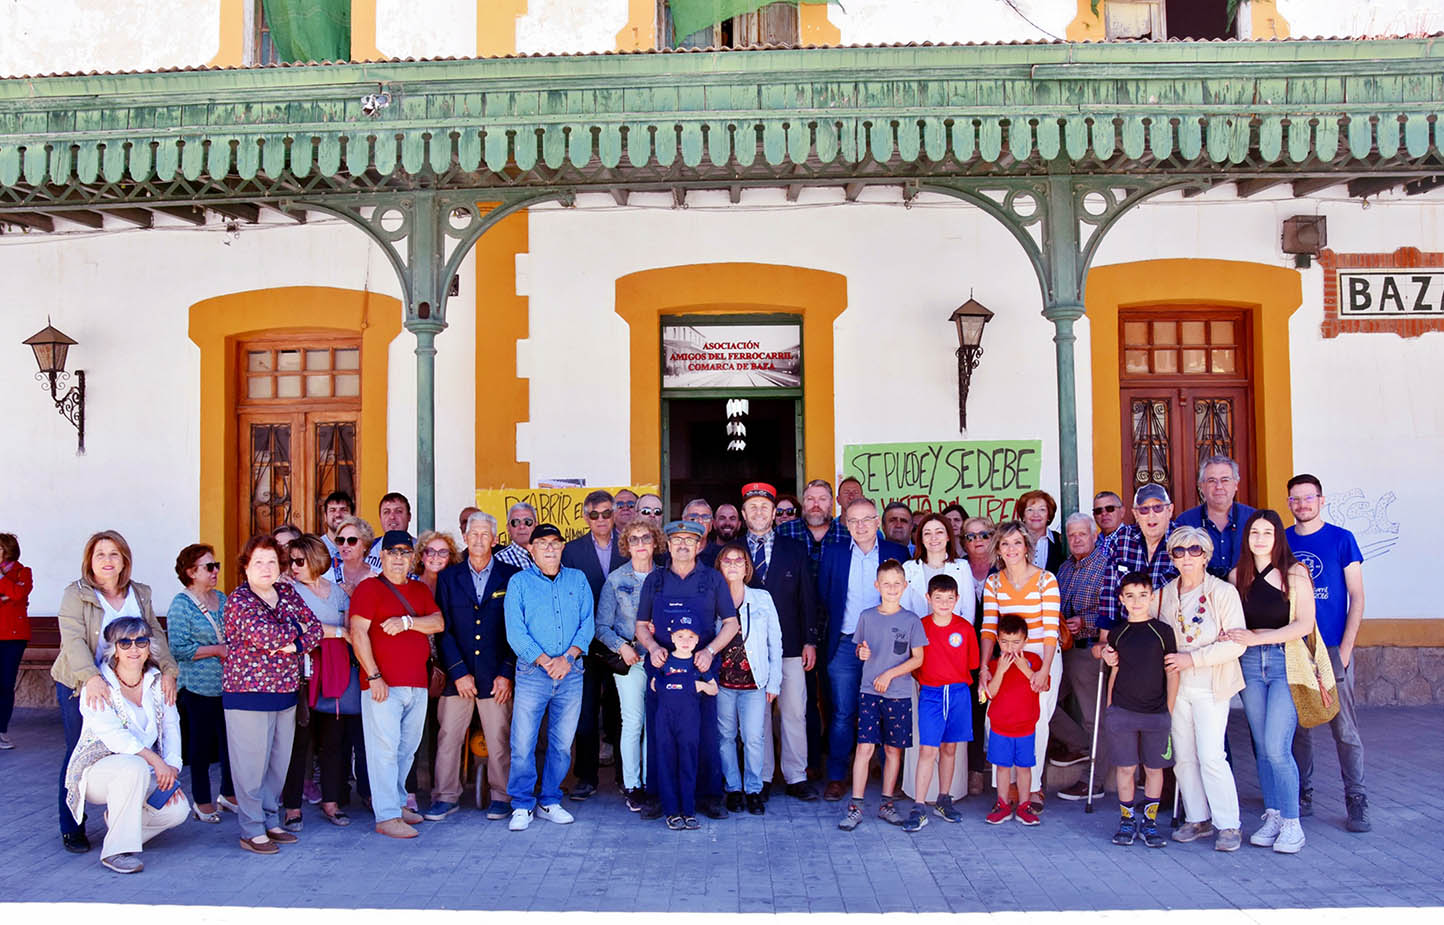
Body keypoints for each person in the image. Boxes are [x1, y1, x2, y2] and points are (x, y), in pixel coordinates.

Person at [53, 530, 179, 854]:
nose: (107, 560)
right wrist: (91, 677)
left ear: (124, 560)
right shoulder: (76, 593)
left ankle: (126, 815)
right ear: (90, 561)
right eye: (100, 554)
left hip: (128, 680)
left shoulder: (140, 592)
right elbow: (73, 640)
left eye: (114, 554)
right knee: (79, 750)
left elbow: (155, 634)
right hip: (81, 683)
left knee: (129, 749)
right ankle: (72, 826)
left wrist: (168, 670)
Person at [63, 617, 189, 874]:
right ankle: (115, 852)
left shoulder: (158, 681)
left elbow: (171, 726)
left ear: (149, 647)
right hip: (97, 773)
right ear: (114, 649)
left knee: (177, 810)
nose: (134, 649)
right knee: (133, 766)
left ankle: (121, 825)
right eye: (125, 643)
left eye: (141, 641)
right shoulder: (98, 685)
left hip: (142, 770)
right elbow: (115, 737)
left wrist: (172, 768)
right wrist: (157, 762)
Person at [1224, 509, 1317, 854]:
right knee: (1262, 746)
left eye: (1267, 532)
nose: (1260, 539)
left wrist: (1258, 638)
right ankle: (1274, 815)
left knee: (1278, 747)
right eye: (1254, 533)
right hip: (1249, 664)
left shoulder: (1295, 574)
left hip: (1284, 662)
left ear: (1278, 537)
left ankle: (1293, 823)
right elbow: (1232, 620)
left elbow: (1304, 624)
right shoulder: (1238, 576)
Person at [634, 520, 740, 820]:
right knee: (660, 736)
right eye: (677, 540)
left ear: (699, 545)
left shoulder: (713, 579)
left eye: (689, 540)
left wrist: (710, 651)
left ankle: (708, 796)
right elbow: (640, 625)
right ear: (668, 545)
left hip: (699, 669)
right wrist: (652, 647)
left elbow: (731, 623)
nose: (683, 545)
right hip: (663, 671)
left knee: (704, 735)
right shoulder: (654, 580)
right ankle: (657, 796)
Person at [223, 534, 323, 854]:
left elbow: (316, 628)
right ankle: (251, 829)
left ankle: (269, 819)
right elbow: (268, 636)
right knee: (250, 768)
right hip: (248, 694)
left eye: (271, 561)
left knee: (278, 765)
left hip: (286, 692)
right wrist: (296, 632)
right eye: (258, 562)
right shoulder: (239, 600)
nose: (266, 568)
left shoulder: (287, 592)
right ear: (246, 567)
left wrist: (293, 644)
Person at [1285, 473, 1369, 831]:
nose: (1302, 504)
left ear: (1321, 500)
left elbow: (1357, 597)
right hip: (1296, 648)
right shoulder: (1283, 540)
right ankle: (1303, 792)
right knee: (1299, 728)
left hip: (1332, 647)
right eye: (1295, 499)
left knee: (1344, 728)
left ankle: (1357, 797)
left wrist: (1345, 650)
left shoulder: (1341, 539)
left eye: (1308, 498)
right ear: (1289, 503)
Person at [1157, 527, 1246, 852]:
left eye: (1194, 550)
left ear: (1206, 555)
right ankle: (1197, 818)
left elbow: (1236, 643)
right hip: (1176, 686)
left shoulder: (1223, 592)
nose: (1187, 557)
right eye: (1179, 551)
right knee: (1183, 756)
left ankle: (1229, 824)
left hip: (1211, 684)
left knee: (1211, 755)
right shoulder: (1164, 594)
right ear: (1172, 557)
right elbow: (1146, 628)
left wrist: (1191, 658)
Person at [350, 530, 443, 839]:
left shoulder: (419, 590)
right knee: (384, 751)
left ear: (412, 557)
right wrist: (373, 675)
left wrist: (406, 622)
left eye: (405, 552)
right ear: (383, 555)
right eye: (393, 552)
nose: (399, 558)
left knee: (406, 750)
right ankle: (387, 815)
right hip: (383, 684)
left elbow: (437, 622)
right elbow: (358, 633)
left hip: (417, 682)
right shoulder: (369, 588)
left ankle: (399, 804)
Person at [817, 499, 910, 801]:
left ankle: (888, 777)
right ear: (845, 524)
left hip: (887, 648)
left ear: (877, 521)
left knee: (887, 709)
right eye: (853, 520)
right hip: (845, 643)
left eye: (866, 519)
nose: (860, 526)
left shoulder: (896, 553)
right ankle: (837, 776)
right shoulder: (834, 553)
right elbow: (824, 597)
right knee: (843, 712)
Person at [504, 524, 593, 831]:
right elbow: (515, 632)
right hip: (533, 673)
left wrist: (567, 658)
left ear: (563, 546)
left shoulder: (578, 579)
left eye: (555, 542)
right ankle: (522, 804)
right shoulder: (519, 582)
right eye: (542, 543)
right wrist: (545, 661)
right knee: (523, 742)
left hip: (571, 672)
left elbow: (587, 624)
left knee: (562, 743)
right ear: (531, 549)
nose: (550, 548)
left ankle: (550, 800)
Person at [433, 511, 519, 821]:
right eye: (474, 534)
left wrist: (506, 673)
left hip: (496, 676)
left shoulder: (512, 576)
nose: (479, 539)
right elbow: (443, 629)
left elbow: (517, 629)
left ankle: (502, 795)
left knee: (499, 739)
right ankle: (445, 796)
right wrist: (458, 672)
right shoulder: (449, 577)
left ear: (495, 539)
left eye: (485, 534)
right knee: (448, 738)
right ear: (465, 538)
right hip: (458, 675)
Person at [740, 481, 821, 802]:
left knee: (794, 712)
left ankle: (796, 775)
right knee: (757, 715)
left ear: (775, 513)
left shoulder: (794, 548)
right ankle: (761, 777)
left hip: (790, 645)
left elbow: (807, 597)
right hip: (748, 649)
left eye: (765, 507)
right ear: (744, 514)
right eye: (753, 507)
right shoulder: (732, 551)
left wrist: (810, 640)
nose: (759, 512)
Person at [837, 559, 926, 831]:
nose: (892, 588)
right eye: (886, 584)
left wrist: (890, 674)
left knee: (892, 749)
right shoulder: (866, 616)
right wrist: (861, 652)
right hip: (869, 692)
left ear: (905, 586)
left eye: (897, 583)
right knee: (864, 747)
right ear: (877, 586)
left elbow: (918, 658)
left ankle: (887, 804)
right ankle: (856, 807)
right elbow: (859, 649)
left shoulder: (911, 620)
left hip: (898, 693)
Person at [979, 521, 1061, 814]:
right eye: (1005, 543)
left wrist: (1044, 670)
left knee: (1035, 721)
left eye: (1017, 542)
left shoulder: (1045, 580)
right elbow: (989, 628)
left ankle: (1033, 787)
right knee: (996, 719)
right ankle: (1007, 787)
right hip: (1006, 656)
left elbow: (1050, 630)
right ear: (998, 549)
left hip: (1040, 656)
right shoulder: (993, 583)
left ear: (1027, 546)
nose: (1011, 548)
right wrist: (984, 667)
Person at [280, 535, 356, 829]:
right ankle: (292, 807)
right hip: (302, 674)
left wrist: (338, 631)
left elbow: (350, 626)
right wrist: (336, 633)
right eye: (291, 561)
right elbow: (298, 628)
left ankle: (331, 802)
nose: (293, 567)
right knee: (299, 742)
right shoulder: (288, 592)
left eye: (299, 561)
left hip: (335, 672)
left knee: (333, 742)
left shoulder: (337, 592)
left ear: (315, 559)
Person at [1100, 570, 1179, 849]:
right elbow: (1113, 668)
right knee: (1126, 768)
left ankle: (1150, 822)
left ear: (1152, 597)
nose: (1136, 602)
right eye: (1130, 596)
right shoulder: (1118, 633)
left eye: (1143, 595)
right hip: (1123, 712)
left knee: (1154, 769)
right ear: (1121, 599)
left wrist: (1168, 709)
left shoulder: (1163, 632)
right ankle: (1126, 820)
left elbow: (1172, 672)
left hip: (1156, 713)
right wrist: (1110, 708)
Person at [561, 489, 627, 801]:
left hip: (620, 643)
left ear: (614, 515)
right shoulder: (572, 551)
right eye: (594, 514)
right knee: (585, 715)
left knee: (621, 713)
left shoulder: (628, 545)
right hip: (584, 645)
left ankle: (626, 777)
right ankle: (586, 777)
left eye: (606, 513)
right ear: (586, 517)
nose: (601, 519)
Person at [596, 520, 664, 810]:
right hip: (631, 660)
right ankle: (633, 784)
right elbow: (601, 626)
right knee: (633, 721)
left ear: (655, 542)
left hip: (661, 660)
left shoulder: (666, 577)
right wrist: (621, 647)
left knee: (655, 723)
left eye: (645, 538)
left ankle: (652, 781)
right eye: (633, 539)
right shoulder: (615, 580)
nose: (640, 544)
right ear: (626, 545)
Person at [904, 574, 979, 832]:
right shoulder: (921, 627)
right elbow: (914, 662)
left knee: (949, 748)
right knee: (928, 749)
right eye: (938, 598)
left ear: (957, 599)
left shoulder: (965, 628)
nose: (944, 603)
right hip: (931, 694)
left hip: (958, 694)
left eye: (949, 598)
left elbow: (972, 663)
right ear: (928, 598)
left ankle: (944, 799)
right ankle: (918, 805)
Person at [165, 543, 234, 822]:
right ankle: (203, 800)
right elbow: (178, 648)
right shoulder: (181, 605)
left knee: (230, 743)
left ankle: (229, 793)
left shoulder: (222, 598)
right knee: (201, 746)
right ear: (191, 572)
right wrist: (217, 650)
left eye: (216, 565)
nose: (215, 571)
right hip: (197, 687)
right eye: (209, 567)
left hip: (227, 685)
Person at [713, 542, 783, 815]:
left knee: (754, 737)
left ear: (746, 568)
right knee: (725, 737)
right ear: (719, 567)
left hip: (755, 682)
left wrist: (774, 681)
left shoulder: (762, 599)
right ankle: (733, 788)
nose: (733, 565)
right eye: (727, 561)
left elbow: (775, 642)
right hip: (721, 683)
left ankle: (753, 789)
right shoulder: (712, 598)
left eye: (738, 561)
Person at [1052, 513, 1112, 801]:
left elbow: (1115, 609)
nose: (1076, 539)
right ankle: (1080, 745)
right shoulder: (1064, 568)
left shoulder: (1106, 565)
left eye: (1082, 534)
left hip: (1090, 650)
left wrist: (1085, 621)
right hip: (1063, 650)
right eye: (1072, 535)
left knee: (1093, 717)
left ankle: (1093, 781)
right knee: (1044, 704)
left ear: (1094, 536)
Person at [653, 625, 719, 830]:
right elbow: (654, 685)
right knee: (666, 763)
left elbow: (714, 689)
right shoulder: (665, 660)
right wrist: (674, 687)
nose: (685, 641)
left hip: (689, 721)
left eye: (691, 637)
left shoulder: (698, 663)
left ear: (698, 639)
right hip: (665, 720)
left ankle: (688, 811)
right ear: (672, 638)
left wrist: (699, 686)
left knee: (688, 763)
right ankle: (672, 812)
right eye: (680, 636)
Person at [983, 614, 1045, 826]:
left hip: (1026, 727)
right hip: (1000, 727)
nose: (1010, 647)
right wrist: (1000, 670)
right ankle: (1002, 804)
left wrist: (1024, 668)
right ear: (998, 641)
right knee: (1001, 767)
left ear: (1025, 641)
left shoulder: (1034, 660)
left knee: (1024, 767)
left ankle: (1024, 805)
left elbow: (1042, 685)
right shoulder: (994, 664)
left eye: (1016, 642)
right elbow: (990, 694)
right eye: (1005, 642)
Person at [1097, 484, 1180, 642]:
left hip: (1170, 635)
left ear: (1170, 510)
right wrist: (1104, 640)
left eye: (1158, 508)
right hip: (1128, 634)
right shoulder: (1122, 539)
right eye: (1144, 509)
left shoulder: (1183, 541)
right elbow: (1109, 592)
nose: (1151, 515)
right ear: (1135, 513)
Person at [1176, 456, 1256, 579]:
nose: (1219, 486)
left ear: (1236, 484)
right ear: (1201, 486)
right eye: (1212, 480)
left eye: (1225, 480)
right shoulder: (1185, 521)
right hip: (1200, 589)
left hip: (1246, 589)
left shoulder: (1254, 519)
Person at [961, 516, 996, 796]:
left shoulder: (1004, 567)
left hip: (1001, 652)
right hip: (966, 654)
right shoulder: (958, 568)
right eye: (971, 536)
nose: (978, 540)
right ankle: (974, 771)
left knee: (1001, 713)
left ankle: (1005, 777)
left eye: (984, 534)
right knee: (974, 710)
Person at [901, 513, 975, 620]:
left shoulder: (962, 567)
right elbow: (904, 611)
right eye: (927, 533)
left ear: (948, 536)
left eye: (939, 532)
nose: (933, 538)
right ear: (921, 539)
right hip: (916, 630)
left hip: (955, 630)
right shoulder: (908, 568)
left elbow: (968, 613)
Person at [0, 533, 34, 750]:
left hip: (13, 637)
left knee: (5, 684)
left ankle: (1, 731)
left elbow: (19, 593)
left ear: (8, 550)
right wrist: (8, 597)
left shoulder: (23, 571)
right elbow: (13, 595)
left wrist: (2, 580)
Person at [777, 479, 850, 577]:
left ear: (831, 503)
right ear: (803, 503)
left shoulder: (846, 535)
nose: (816, 504)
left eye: (822, 499)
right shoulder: (783, 532)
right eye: (810, 499)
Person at [1014, 490, 1066, 574]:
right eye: (1030, 510)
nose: (1036, 514)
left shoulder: (1061, 541)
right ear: (1023, 516)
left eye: (1042, 510)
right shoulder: (1012, 540)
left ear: (1048, 515)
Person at [366, 492, 414, 570]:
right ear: (380, 518)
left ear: (409, 516)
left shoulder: (422, 551)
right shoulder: (367, 549)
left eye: (398, 511)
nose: (392, 517)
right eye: (386, 512)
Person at [333, 515, 378, 596]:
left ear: (365, 544)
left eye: (352, 540)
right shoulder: (328, 577)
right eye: (341, 540)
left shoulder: (378, 577)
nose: (345, 545)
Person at [496, 502, 539, 569]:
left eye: (527, 522)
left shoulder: (550, 553)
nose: (522, 526)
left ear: (536, 525)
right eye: (515, 522)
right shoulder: (499, 560)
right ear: (508, 528)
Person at [320, 491, 356, 566]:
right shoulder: (316, 549)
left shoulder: (361, 548)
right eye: (332, 510)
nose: (338, 515)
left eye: (343, 510)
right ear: (325, 516)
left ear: (353, 516)